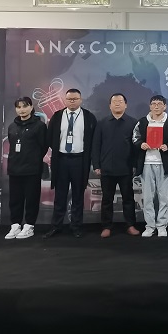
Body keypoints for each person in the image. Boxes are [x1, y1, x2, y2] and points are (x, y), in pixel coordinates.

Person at [44, 88, 97, 239]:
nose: (72, 101)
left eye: (75, 99)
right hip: (61, 159)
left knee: (78, 195)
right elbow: (50, 138)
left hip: (80, 160)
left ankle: (76, 226)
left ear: (80, 100)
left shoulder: (89, 117)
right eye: (69, 99)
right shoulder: (57, 116)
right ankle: (56, 226)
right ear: (65, 100)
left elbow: (94, 140)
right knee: (60, 195)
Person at [92, 93, 139, 238]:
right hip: (106, 168)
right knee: (107, 199)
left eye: (120, 101)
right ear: (110, 105)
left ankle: (130, 225)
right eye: (114, 101)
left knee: (128, 198)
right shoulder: (102, 123)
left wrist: (135, 165)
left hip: (126, 168)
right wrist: (96, 165)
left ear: (126, 105)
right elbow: (96, 145)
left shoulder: (133, 123)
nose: (117, 103)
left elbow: (136, 147)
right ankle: (106, 226)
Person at [5, 97, 48, 240]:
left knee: (31, 198)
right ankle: (15, 225)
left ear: (31, 107)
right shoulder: (12, 126)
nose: (21, 110)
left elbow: (43, 146)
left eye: (24, 106)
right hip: (14, 169)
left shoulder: (39, 126)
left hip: (32, 169)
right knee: (15, 199)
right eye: (18, 107)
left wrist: (33, 159)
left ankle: (29, 225)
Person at [133, 95, 168, 238]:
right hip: (146, 163)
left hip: (163, 164)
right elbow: (135, 138)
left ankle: (162, 226)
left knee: (164, 198)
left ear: (165, 106)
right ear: (150, 106)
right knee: (148, 197)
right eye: (154, 104)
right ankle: (150, 226)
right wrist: (141, 144)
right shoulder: (143, 122)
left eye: (159, 104)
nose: (156, 106)